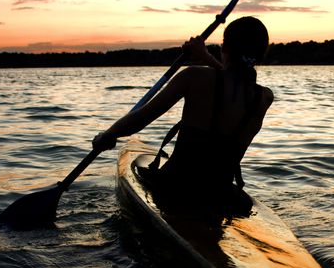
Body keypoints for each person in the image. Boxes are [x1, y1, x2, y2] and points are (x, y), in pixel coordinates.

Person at [92, 16, 273, 214]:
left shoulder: (193, 76)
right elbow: (234, 81)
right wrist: (205, 57)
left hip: (175, 188)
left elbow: (142, 118)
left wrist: (108, 135)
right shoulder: (263, 98)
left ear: (225, 47)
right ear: (261, 55)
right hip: (219, 196)